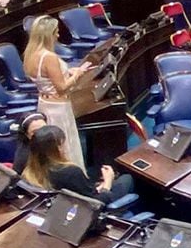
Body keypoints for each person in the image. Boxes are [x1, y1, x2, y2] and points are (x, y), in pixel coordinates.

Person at [22, 16, 90, 170]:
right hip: (58, 108)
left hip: (44, 103)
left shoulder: (30, 53)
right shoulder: (49, 57)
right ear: (48, 34)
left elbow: (45, 79)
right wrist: (78, 73)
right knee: (64, 145)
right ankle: (73, 177)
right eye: (56, 32)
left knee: (50, 146)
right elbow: (62, 88)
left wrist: (67, 72)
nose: (58, 36)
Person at [21, 124, 133, 203]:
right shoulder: (70, 172)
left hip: (60, 207)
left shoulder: (29, 170)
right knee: (127, 179)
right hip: (84, 212)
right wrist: (107, 182)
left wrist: (99, 188)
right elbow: (94, 203)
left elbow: (81, 192)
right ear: (58, 147)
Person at [7, 110, 48, 177]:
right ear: (26, 134)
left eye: (45, 128)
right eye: (35, 132)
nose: (42, 133)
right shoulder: (27, 156)